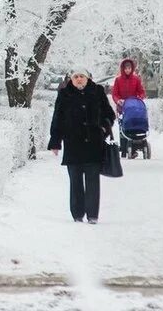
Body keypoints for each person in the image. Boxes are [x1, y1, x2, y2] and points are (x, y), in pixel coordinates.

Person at [48, 69, 115, 224]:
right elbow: (57, 118)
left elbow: (109, 114)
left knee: (93, 181)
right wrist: (55, 142)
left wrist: (103, 128)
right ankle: (77, 214)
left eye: (81, 76)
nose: (79, 79)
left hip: (94, 144)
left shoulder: (97, 92)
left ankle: (92, 215)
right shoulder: (65, 94)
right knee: (75, 181)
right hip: (73, 144)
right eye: (76, 77)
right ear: (71, 79)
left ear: (87, 78)